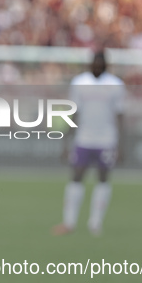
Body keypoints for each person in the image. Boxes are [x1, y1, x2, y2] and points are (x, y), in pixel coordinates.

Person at [53, 51, 125, 236]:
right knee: (76, 176)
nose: (97, 66)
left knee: (103, 178)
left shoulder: (115, 85)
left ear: (106, 65)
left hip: (107, 139)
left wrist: (121, 144)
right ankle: (69, 222)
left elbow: (120, 115)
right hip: (83, 137)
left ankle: (95, 222)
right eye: (95, 62)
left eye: (101, 63)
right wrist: (65, 141)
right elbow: (74, 112)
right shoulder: (79, 83)